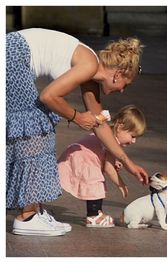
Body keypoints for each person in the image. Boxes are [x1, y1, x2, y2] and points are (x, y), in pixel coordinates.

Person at [6, 28, 149, 236]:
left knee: (33, 130)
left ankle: (33, 211)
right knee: (36, 128)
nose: (123, 90)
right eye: (126, 84)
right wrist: (77, 117)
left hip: (12, 52)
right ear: (117, 75)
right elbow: (49, 96)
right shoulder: (89, 65)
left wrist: (129, 163)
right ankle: (28, 217)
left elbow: (100, 126)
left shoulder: (91, 73)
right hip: (13, 54)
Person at [58, 105, 146, 227]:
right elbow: (108, 168)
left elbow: (104, 156)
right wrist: (120, 183)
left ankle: (34, 202)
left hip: (78, 155)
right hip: (83, 159)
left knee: (55, 181)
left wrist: (113, 161)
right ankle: (93, 216)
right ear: (120, 127)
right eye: (133, 136)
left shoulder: (108, 134)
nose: (134, 141)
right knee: (96, 183)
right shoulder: (111, 141)